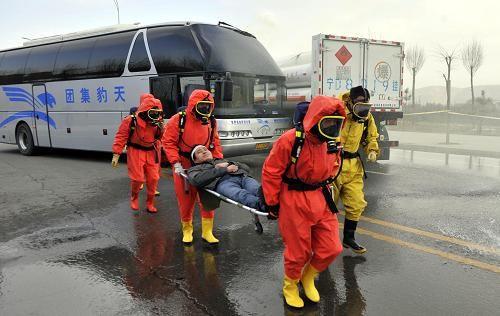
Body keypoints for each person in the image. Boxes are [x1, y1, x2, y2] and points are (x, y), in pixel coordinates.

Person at [261, 95, 346, 308]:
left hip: (321, 196)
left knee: (332, 247)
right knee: (299, 251)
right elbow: (271, 171)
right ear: (315, 119)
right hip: (294, 199)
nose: (332, 127)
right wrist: (272, 202)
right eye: (327, 122)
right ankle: (290, 284)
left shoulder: (333, 141)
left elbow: (335, 165)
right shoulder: (291, 140)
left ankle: (308, 277)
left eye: (335, 122)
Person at [162, 89, 223, 245]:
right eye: (202, 106)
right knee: (185, 200)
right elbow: (168, 142)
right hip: (184, 166)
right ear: (193, 105)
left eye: (208, 106)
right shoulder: (178, 120)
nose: (205, 110)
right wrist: (176, 163)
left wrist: (217, 163)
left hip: (204, 166)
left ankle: (207, 231)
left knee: (208, 197)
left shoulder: (211, 122)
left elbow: (214, 143)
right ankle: (187, 230)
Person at [335, 85, 380, 254]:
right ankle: (322, 242)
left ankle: (349, 237)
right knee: (326, 207)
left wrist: (372, 150)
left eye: (365, 104)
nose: (362, 108)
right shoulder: (337, 113)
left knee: (356, 203)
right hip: (333, 165)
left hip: (354, 166)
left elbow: (371, 137)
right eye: (359, 104)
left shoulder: (366, 117)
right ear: (350, 101)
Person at [112, 94, 164, 213]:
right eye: (153, 113)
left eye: (157, 113)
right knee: (138, 179)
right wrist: (116, 154)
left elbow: (160, 137)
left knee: (154, 178)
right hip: (136, 151)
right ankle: (134, 197)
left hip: (152, 150)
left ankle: (150, 202)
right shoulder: (130, 120)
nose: (155, 116)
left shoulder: (157, 120)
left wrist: (161, 128)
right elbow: (121, 136)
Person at [186, 145, 264, 211]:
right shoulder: (194, 169)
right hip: (222, 183)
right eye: (199, 152)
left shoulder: (221, 160)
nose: (204, 152)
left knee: (257, 190)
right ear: (195, 160)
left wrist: (230, 163)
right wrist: (221, 170)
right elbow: (196, 180)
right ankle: (265, 207)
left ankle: (273, 204)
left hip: (242, 177)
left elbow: (247, 168)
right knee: (242, 195)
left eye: (206, 149)